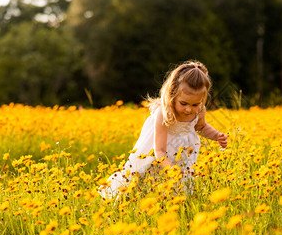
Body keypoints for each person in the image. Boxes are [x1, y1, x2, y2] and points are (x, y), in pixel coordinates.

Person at [98, 60, 228, 200]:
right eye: (183, 103)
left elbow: (201, 127)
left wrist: (217, 135)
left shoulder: (200, 110)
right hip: (156, 156)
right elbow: (159, 150)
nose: (189, 109)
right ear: (172, 94)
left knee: (179, 186)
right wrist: (170, 169)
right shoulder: (164, 112)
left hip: (182, 156)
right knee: (143, 182)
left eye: (195, 104)